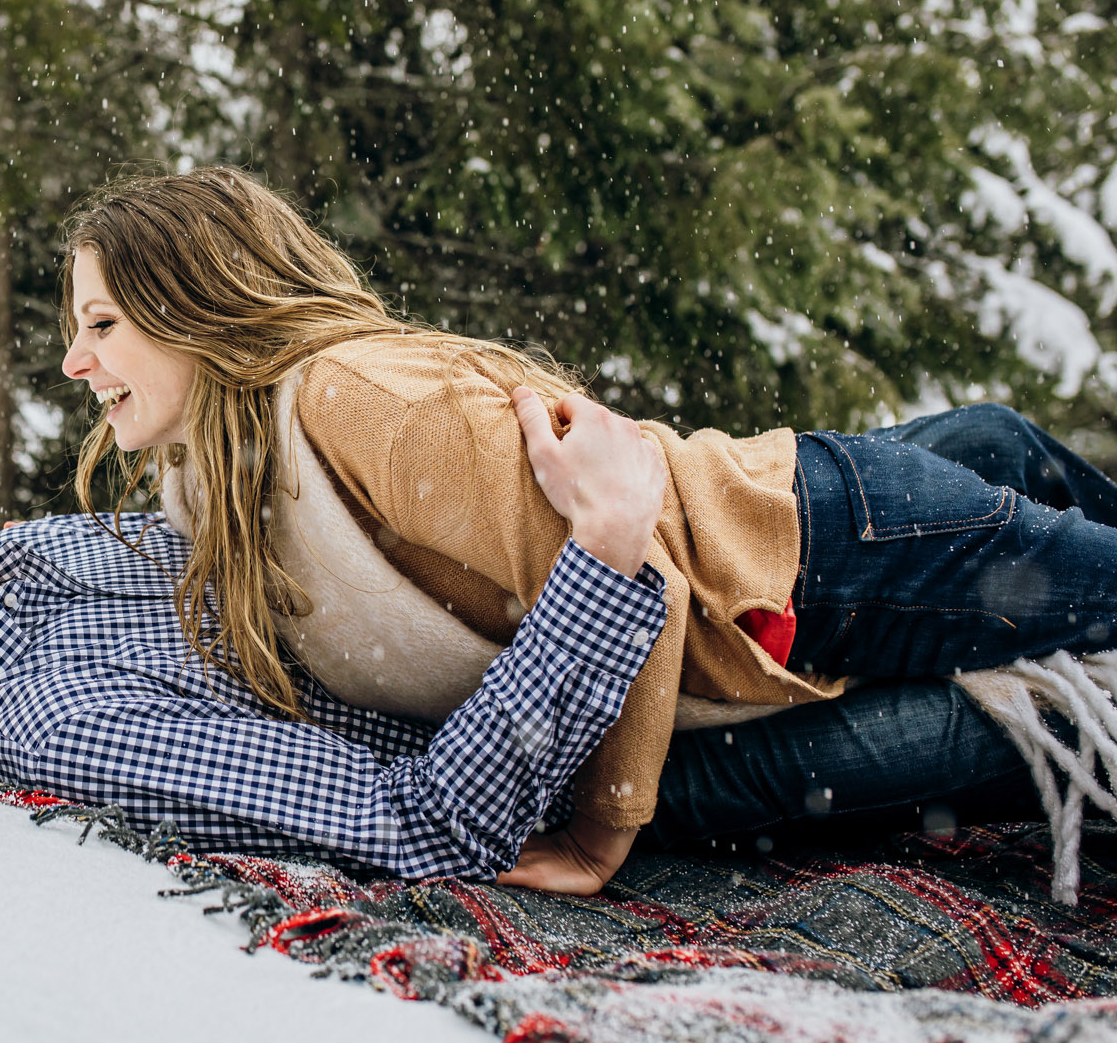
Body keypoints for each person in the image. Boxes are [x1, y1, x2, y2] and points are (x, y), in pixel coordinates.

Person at [56, 167, 1117, 893]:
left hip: (815, 560)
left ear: (201, 303)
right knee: (992, 442)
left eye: (101, 324)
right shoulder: (225, 473)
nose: (73, 361)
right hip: (783, 547)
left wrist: (599, 833)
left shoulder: (360, 405)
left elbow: (623, 553)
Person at [0, 395, 1068, 887]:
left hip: (580, 583)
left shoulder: (28, 556)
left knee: (996, 447)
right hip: (624, 749)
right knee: (1021, 710)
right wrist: (599, 553)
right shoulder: (55, 717)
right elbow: (424, 819)